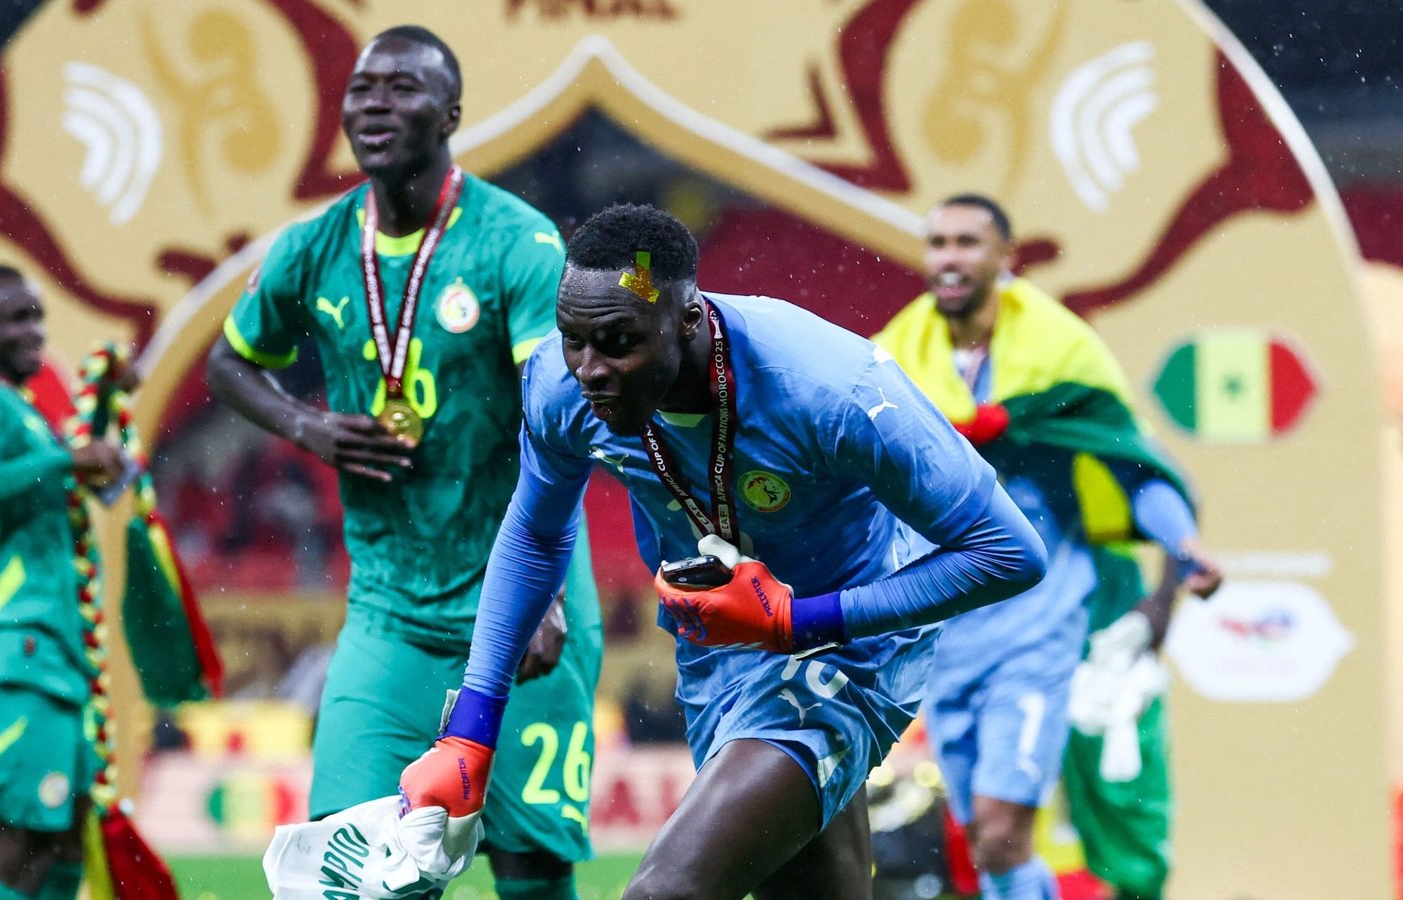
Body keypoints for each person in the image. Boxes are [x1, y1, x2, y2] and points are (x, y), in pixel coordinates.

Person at [396, 203, 1049, 900]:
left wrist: (798, 622)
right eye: (572, 339)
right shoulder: (563, 387)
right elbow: (533, 533)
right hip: (719, 657)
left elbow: (1010, 552)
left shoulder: (832, 389)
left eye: (618, 341)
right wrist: (469, 732)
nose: (590, 369)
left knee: (664, 892)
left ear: (688, 317)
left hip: (846, 649)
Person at [206, 26, 602, 900]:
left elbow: (562, 421)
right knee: (346, 866)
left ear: (452, 113)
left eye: (402, 88)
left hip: (518, 606)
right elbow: (229, 365)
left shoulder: (517, 245)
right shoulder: (313, 248)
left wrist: (543, 592)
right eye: (361, 90)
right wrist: (307, 428)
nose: (375, 104)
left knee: (531, 870)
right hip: (390, 613)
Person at [873, 194, 1223, 900]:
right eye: (937, 242)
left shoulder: (1059, 358)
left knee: (1010, 832)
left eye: (968, 242)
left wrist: (1183, 544)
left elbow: (1129, 464)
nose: (948, 256)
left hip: (1042, 632)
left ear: (1007, 258)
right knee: (988, 846)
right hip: (948, 638)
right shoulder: (896, 360)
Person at [0, 265, 126, 899]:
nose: (34, 330)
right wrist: (68, 461)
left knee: (63, 843)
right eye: (16, 318)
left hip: (53, 658)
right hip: (10, 651)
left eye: (37, 314)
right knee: (21, 843)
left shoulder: (28, 415)